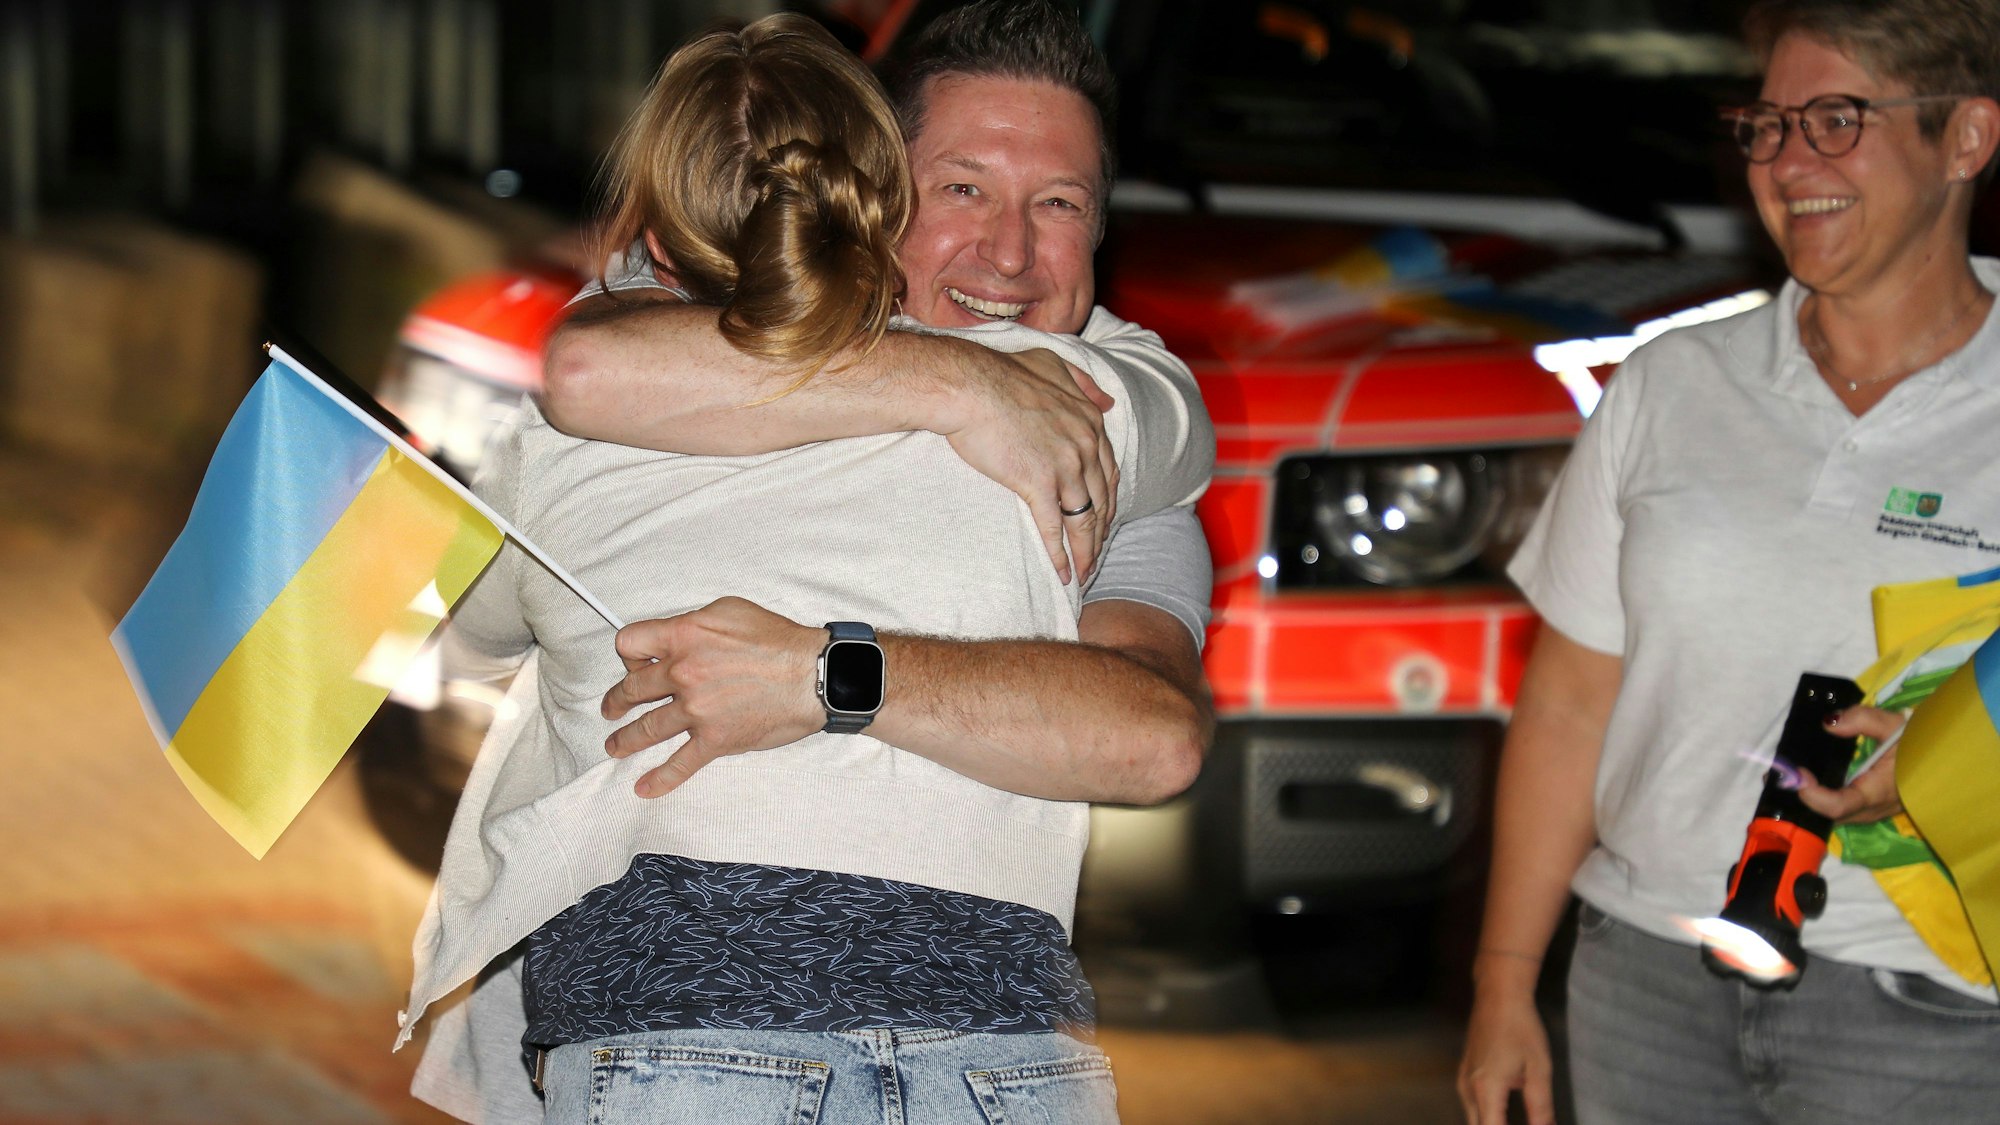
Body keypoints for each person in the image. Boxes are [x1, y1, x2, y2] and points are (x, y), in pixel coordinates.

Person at [398, 7, 1215, 1123]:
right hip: (915, 1062)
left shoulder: (1088, 421)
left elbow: (1152, 735)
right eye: (963, 188)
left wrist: (828, 678)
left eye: (1059, 204)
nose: (1011, 252)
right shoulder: (1067, 411)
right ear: (868, 191)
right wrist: (959, 384)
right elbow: (588, 367)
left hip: (851, 1049)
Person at [1456, 0, 2000, 1122]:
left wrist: (1970, 736)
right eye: (1765, 124)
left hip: (1932, 1011)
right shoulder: (1671, 381)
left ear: (1965, 139)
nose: (1787, 161)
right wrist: (1505, 979)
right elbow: (1566, 704)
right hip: (1644, 988)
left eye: (1836, 120)